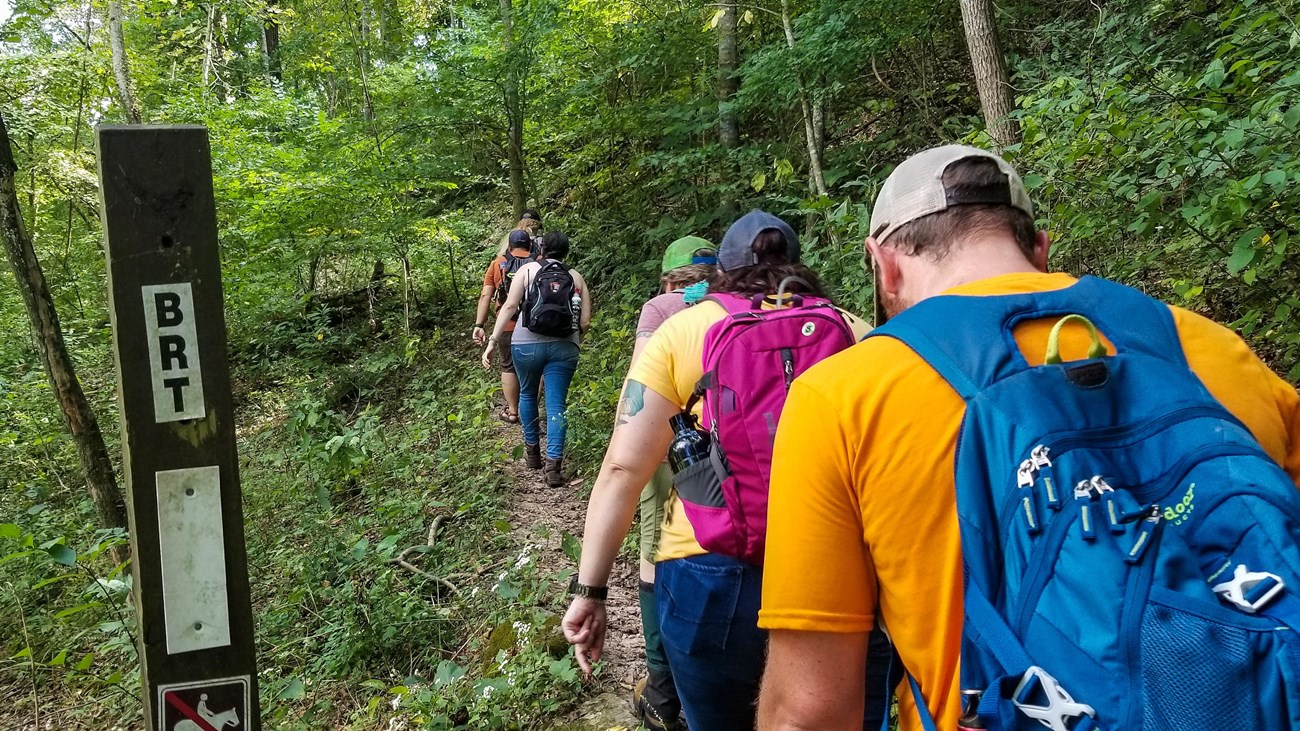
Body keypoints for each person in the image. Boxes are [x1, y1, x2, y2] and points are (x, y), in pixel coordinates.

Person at [756, 145, 1300, 730]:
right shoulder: (1216, 351)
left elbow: (809, 711)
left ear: (884, 265)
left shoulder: (842, 396)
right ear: (1039, 248)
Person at [562, 211, 870, 731]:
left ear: (720, 271)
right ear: (796, 262)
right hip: (834, 568)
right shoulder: (854, 329)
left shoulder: (684, 331)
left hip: (711, 567)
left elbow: (622, 467)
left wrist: (590, 591)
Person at [629, 235, 717, 731]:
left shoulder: (660, 308)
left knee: (653, 549)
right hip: (730, 450)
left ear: (668, 277)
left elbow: (639, 393)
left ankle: (662, 692)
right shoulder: (740, 304)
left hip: (671, 441)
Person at [482, 231, 591, 486]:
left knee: (528, 394)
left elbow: (509, 307)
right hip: (565, 347)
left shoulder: (528, 270)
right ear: (566, 251)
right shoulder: (575, 277)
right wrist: (573, 340)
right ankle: (554, 466)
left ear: (539, 248)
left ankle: (532, 454)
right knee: (556, 405)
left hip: (525, 344)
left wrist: (492, 342)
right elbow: (584, 321)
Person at [474, 229, 539, 423]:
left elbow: (486, 295)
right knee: (537, 367)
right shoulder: (540, 261)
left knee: (508, 366)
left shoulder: (497, 263)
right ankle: (530, 407)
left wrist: (479, 324)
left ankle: (512, 411)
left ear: (509, 246)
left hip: (507, 324)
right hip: (535, 324)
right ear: (529, 245)